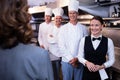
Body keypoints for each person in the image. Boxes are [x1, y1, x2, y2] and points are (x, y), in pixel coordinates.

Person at [0, 0, 54, 80]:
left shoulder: (53, 26)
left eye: (49, 16)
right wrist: (42, 44)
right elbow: (40, 37)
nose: (47, 18)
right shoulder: (40, 56)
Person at [57, 0, 88, 80]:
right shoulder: (63, 29)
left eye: (74, 13)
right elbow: (61, 46)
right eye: (70, 13)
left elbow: (85, 45)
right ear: (68, 14)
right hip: (66, 61)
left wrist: (77, 58)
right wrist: (71, 59)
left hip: (79, 61)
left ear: (77, 14)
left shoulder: (84, 28)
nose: (72, 15)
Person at [77, 16, 115, 80]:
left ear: (102, 26)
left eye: (96, 25)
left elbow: (112, 60)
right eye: (92, 25)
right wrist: (87, 63)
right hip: (87, 74)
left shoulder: (109, 41)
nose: (94, 28)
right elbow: (80, 57)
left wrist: (102, 66)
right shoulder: (83, 40)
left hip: (102, 73)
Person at [47, 7, 64, 80]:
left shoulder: (64, 28)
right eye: (56, 18)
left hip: (63, 54)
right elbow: (49, 40)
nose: (58, 20)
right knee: (55, 73)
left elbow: (66, 40)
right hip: (54, 54)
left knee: (63, 74)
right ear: (54, 19)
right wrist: (60, 39)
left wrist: (54, 38)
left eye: (59, 18)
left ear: (62, 19)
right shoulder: (50, 28)